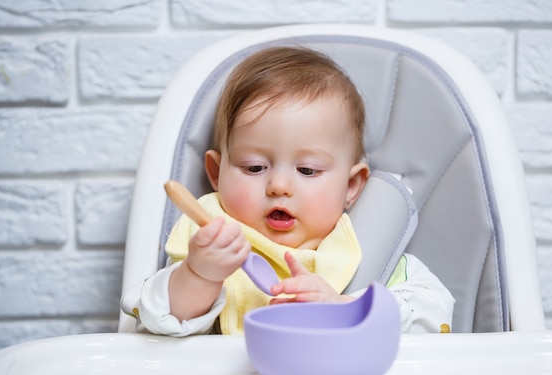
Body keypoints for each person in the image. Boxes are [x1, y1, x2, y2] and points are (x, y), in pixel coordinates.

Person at [121, 46, 454, 336]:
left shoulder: (366, 248)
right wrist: (198, 276)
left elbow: (436, 314)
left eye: (307, 170)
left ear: (351, 186)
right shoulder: (208, 245)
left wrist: (345, 308)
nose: (279, 186)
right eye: (254, 167)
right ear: (216, 173)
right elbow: (152, 318)